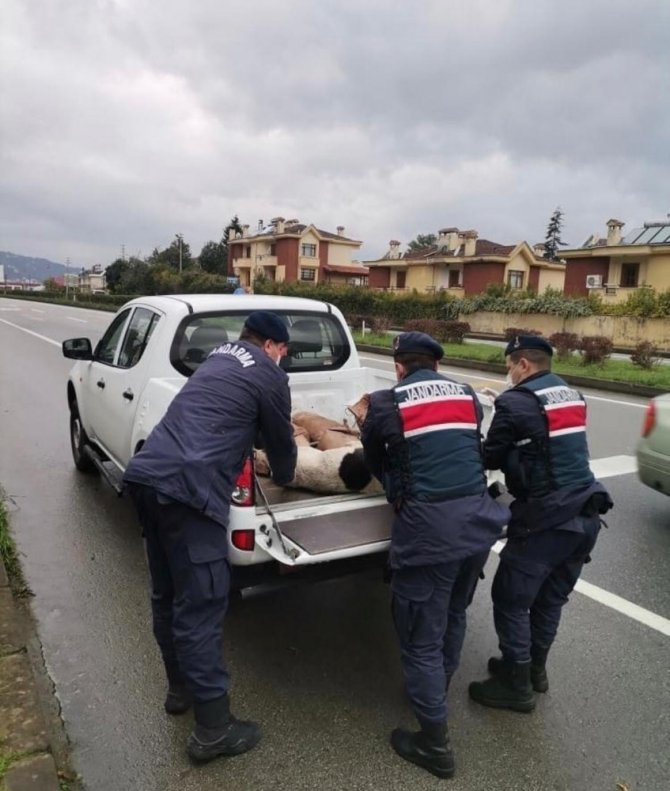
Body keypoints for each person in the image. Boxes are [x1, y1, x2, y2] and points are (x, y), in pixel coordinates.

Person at [123, 311, 297, 763]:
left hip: (146, 477)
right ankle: (214, 731)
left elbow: (220, 413)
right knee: (200, 606)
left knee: (167, 594)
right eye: (285, 352)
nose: (284, 359)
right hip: (189, 492)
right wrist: (286, 475)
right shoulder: (269, 374)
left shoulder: (216, 358)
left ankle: (179, 691)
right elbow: (281, 446)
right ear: (273, 347)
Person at [360, 331, 510, 779]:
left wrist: (395, 486)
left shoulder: (385, 403)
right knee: (455, 612)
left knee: (420, 635)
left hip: (429, 536)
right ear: (437, 366)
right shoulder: (467, 396)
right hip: (478, 527)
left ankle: (434, 743)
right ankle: (436, 688)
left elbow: (372, 457)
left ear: (399, 367)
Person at [469, 335, 612, 712]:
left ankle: (516, 686)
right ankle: (535, 670)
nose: (508, 373)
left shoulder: (514, 402)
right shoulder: (571, 394)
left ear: (524, 365)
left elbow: (490, 456)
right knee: (550, 599)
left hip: (548, 521)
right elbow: (548, 440)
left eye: (510, 366)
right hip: (587, 514)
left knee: (511, 599)